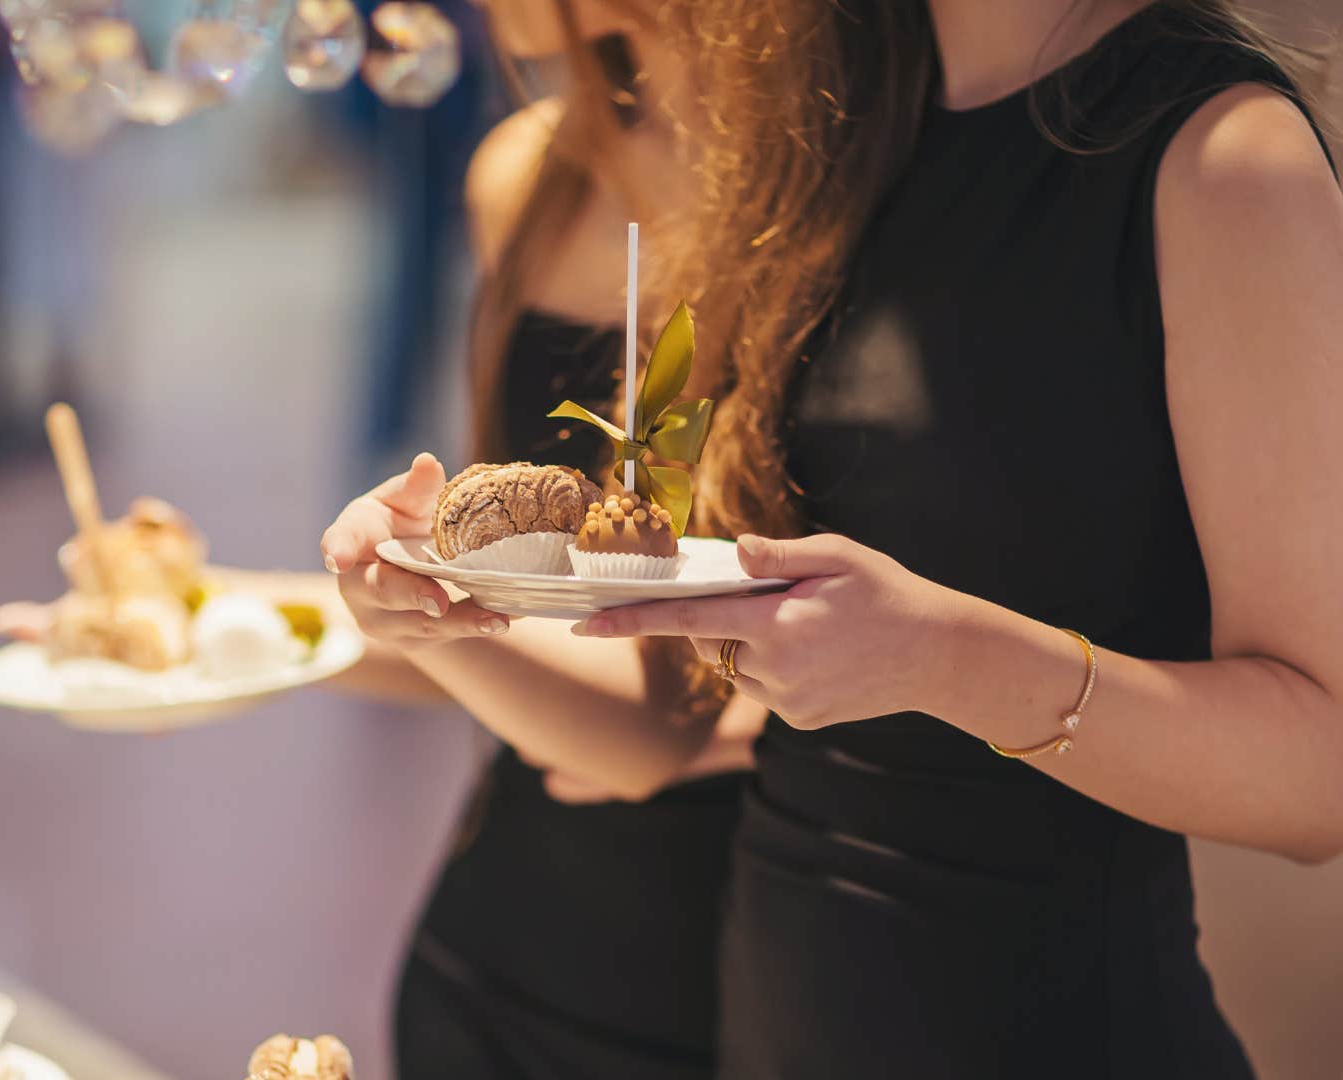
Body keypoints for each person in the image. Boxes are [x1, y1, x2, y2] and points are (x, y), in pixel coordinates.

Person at [327, 0, 1343, 1075]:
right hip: (776, 1016)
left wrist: (944, 658)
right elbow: (666, 701)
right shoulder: (821, 126)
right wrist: (428, 591)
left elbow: (1317, 780)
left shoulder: (1225, 156)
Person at [308, 2, 766, 1075]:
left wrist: (753, 721)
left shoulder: (820, 193)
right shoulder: (524, 173)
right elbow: (528, 618)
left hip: (726, 964)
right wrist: (216, 606)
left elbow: (655, 719)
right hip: (498, 926)